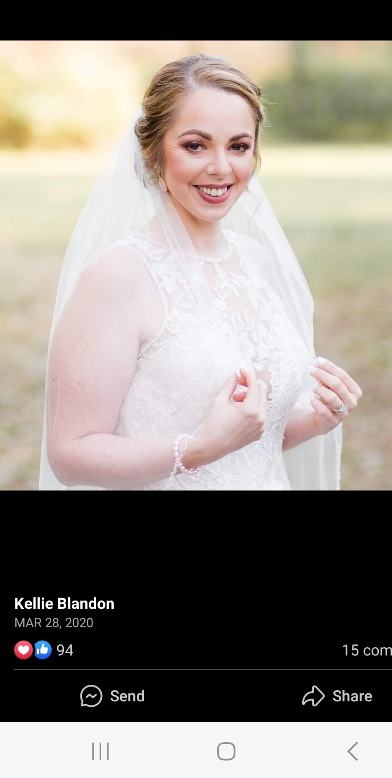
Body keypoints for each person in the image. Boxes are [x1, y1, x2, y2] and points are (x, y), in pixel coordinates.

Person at [40, 54, 362, 491]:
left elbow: (250, 443)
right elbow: (71, 454)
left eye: (238, 146)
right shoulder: (118, 276)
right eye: (195, 145)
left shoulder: (255, 260)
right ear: (153, 153)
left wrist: (316, 419)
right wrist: (198, 449)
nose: (221, 168)